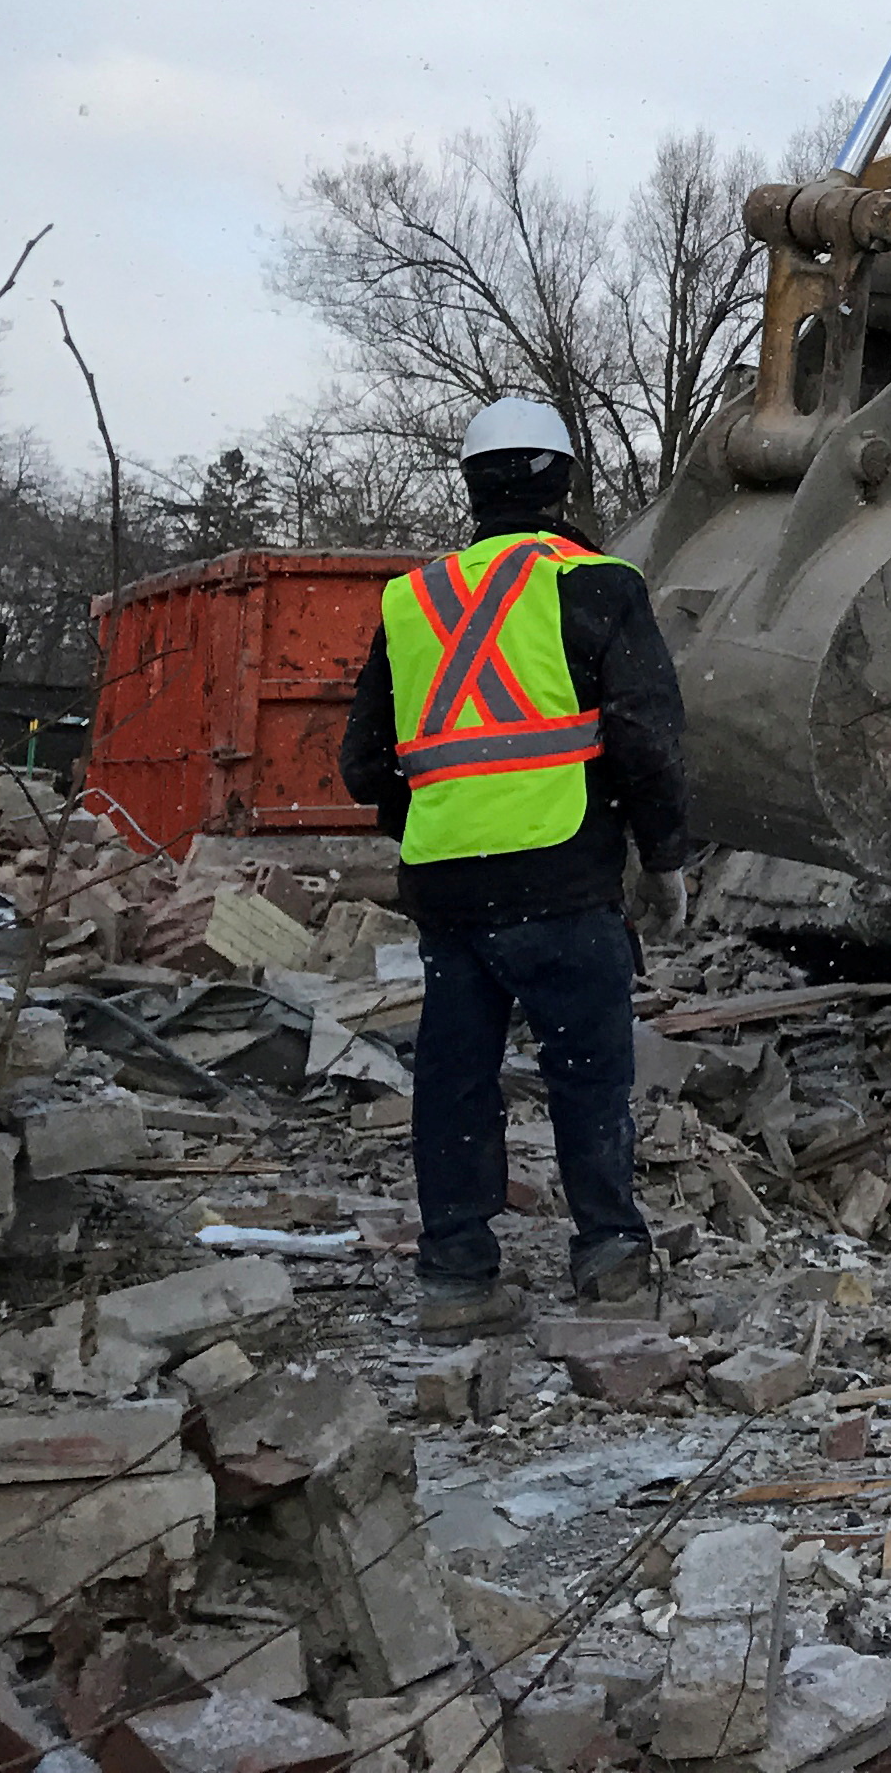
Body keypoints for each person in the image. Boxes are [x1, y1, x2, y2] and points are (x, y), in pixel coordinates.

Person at [339, 396, 694, 1338]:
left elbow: (365, 764)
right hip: (565, 882)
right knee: (587, 1071)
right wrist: (663, 860)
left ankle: (457, 1274)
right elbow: (648, 740)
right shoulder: (602, 585)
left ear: (470, 485)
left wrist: (441, 825)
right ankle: (609, 1257)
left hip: (451, 895)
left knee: (455, 1076)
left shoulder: (413, 600)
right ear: (563, 480)